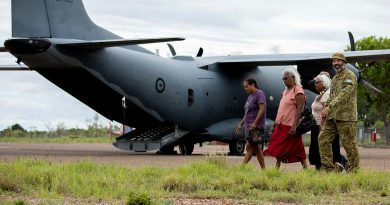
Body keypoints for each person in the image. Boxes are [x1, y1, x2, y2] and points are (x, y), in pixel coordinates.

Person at [319, 52, 359, 172]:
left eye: (338, 60)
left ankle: (353, 171)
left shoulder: (350, 76)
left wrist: (329, 107)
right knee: (323, 139)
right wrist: (325, 110)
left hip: (346, 117)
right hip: (332, 117)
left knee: (349, 144)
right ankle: (329, 169)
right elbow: (332, 96)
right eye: (334, 61)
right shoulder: (335, 78)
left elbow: (343, 95)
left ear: (344, 62)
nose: (336, 63)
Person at [263, 68, 307, 169]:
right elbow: (281, 110)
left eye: (286, 78)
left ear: (292, 78)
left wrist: (294, 125)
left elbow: (300, 109)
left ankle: (304, 167)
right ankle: (277, 167)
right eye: (283, 79)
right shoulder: (285, 92)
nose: (284, 81)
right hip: (281, 124)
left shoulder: (298, 90)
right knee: (279, 145)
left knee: (296, 147)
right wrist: (274, 125)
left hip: (290, 124)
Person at [309, 73, 347, 170]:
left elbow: (325, 113)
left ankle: (330, 168)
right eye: (315, 82)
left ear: (325, 83)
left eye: (318, 82)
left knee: (324, 149)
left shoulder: (327, 94)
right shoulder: (321, 94)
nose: (315, 84)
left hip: (323, 126)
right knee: (316, 149)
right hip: (316, 126)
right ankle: (331, 167)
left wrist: (322, 128)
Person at [236, 78, 266, 170]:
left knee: (250, 147)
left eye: (247, 86)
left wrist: (255, 123)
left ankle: (241, 169)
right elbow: (247, 113)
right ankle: (264, 171)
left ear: (253, 84)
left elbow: (262, 109)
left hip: (256, 127)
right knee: (256, 149)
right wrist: (240, 124)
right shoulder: (250, 96)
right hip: (248, 126)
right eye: (244, 87)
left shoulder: (259, 94)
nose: (245, 89)